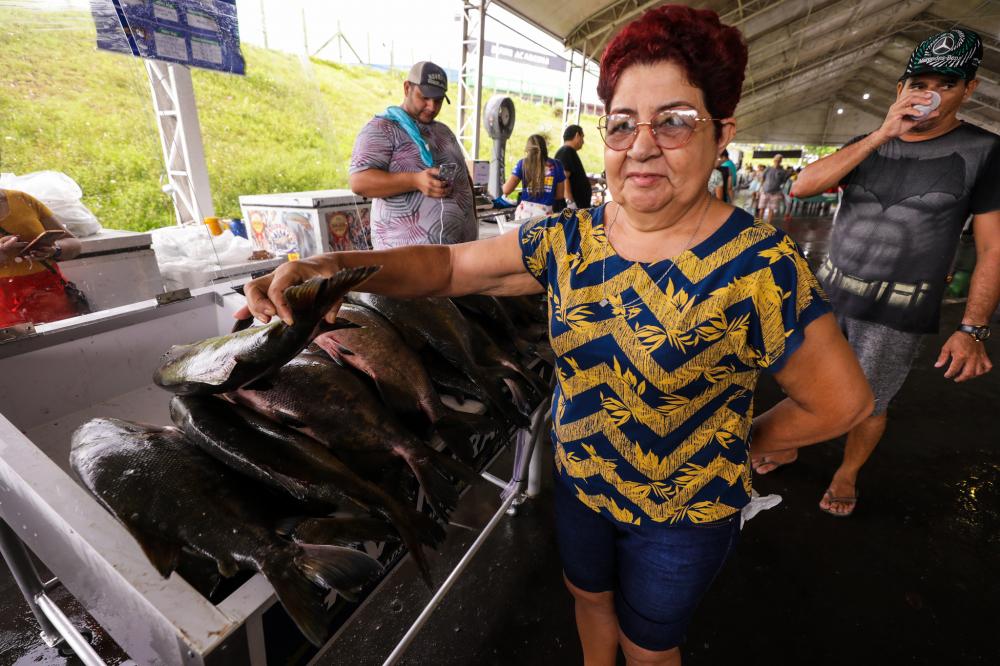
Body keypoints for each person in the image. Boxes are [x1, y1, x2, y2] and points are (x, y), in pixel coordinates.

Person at [240, 5, 873, 664]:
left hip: (683, 515)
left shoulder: (759, 264)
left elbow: (841, 402)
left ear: (722, 134)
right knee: (588, 599)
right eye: (622, 124)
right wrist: (333, 266)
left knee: (650, 647)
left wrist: (740, 444)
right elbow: (449, 264)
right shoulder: (572, 239)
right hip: (580, 482)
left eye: (676, 121)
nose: (643, 144)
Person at [763, 28, 1000, 517]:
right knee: (801, 381)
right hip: (827, 295)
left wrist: (972, 328)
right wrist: (880, 134)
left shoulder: (985, 152)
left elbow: (993, 246)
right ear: (900, 87)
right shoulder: (870, 143)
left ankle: (847, 473)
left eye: (946, 84)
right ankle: (788, 444)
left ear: (968, 89)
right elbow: (804, 186)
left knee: (867, 402)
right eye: (918, 81)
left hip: (897, 309)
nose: (927, 94)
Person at [348, 61, 476, 249]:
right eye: (424, 97)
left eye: (439, 100)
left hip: (460, 255)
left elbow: (464, 178)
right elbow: (359, 182)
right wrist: (415, 181)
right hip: (408, 260)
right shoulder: (382, 129)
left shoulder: (444, 131)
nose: (432, 107)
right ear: (407, 88)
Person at [0, 188, 83, 327]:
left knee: (65, 341)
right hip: (4, 304)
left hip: (49, 293)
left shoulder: (22, 199)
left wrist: (54, 250)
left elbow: (74, 244)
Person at [502, 134, 567, 219]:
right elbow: (559, 195)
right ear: (545, 148)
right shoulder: (557, 165)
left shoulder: (523, 164)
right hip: (546, 216)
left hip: (524, 215)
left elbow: (506, 190)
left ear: (527, 149)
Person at [555, 124, 592, 210]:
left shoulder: (567, 152)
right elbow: (564, 178)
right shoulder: (567, 151)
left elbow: (575, 177)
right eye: (582, 137)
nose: (583, 142)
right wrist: (570, 202)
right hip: (573, 208)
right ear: (577, 135)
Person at [758, 154, 790, 222]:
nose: (777, 161)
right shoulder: (768, 169)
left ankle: (768, 226)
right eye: (776, 159)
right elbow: (762, 179)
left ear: (781, 161)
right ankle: (758, 225)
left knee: (771, 210)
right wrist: (761, 189)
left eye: (779, 160)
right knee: (761, 209)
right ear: (773, 160)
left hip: (775, 193)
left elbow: (783, 182)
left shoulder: (783, 171)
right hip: (765, 192)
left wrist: (788, 175)